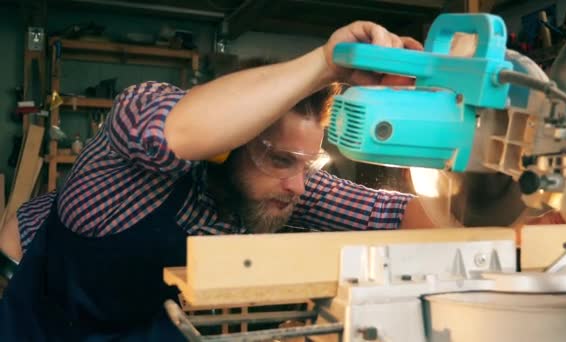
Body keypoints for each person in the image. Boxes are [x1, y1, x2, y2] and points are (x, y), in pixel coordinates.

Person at [0, 21, 435, 340]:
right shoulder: (141, 127)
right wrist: (326, 65)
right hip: (29, 304)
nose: (299, 185)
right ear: (232, 143)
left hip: (130, 324)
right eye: (281, 160)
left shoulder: (283, 180)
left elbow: (395, 216)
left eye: (306, 164)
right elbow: (180, 133)